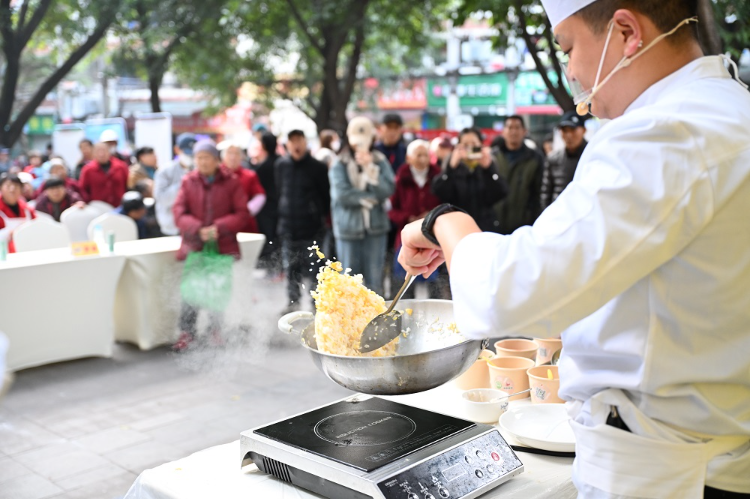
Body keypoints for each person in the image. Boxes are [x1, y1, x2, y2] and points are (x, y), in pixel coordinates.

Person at [397, 1, 750, 497]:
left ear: (626, 31)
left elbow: (512, 288)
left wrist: (444, 222)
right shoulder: (731, 106)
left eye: (568, 48)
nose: (572, 72)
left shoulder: (665, 132)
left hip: (667, 469)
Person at [172, 140, 251, 351]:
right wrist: (198, 228)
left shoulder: (231, 182)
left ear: (217, 160)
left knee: (218, 289)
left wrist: (219, 227)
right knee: (190, 291)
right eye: (198, 158)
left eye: (206, 157)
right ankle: (187, 332)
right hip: (195, 246)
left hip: (222, 246)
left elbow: (242, 214)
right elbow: (179, 213)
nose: (202, 162)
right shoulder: (188, 181)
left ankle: (216, 329)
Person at [330, 117, 395, 296]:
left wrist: (369, 168)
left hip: (376, 228)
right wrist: (371, 198)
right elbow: (342, 195)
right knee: (350, 283)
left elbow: (388, 189)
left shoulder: (380, 160)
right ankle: (351, 323)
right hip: (348, 229)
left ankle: (376, 321)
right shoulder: (339, 163)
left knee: (375, 281)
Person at [276, 130, 330, 313]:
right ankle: (293, 302)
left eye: (299, 140)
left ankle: (317, 304)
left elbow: (325, 197)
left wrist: (318, 216)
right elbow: (278, 193)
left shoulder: (318, 167)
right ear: (287, 144)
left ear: (305, 142)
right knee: (291, 268)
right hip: (288, 227)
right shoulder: (281, 165)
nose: (296, 145)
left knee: (316, 269)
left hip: (312, 228)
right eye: (292, 141)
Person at [389, 139, 443, 298]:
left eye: (425, 155)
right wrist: (410, 218)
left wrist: (430, 217)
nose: (422, 159)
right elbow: (392, 210)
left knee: (434, 283)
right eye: (418, 155)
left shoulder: (438, 176)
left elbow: (444, 205)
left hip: (432, 238)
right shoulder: (401, 177)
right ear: (409, 158)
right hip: (406, 238)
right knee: (404, 283)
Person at [432, 127, 508, 232]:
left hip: (485, 227)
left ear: (481, 145)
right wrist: (450, 169)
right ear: (458, 146)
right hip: (458, 227)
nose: (470, 148)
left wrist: (489, 169)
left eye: (474, 144)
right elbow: (439, 192)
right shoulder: (451, 164)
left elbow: (500, 193)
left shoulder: (490, 163)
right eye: (465, 144)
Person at [492, 115, 545, 235]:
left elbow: (539, 192)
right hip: (495, 225)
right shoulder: (493, 157)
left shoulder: (535, 158)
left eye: (517, 127)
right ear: (503, 131)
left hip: (524, 227)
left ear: (524, 131)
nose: (513, 131)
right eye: (510, 127)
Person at [541, 111, 589, 210]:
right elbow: (546, 193)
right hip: (559, 214)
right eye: (565, 130)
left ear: (584, 130)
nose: (569, 135)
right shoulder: (553, 159)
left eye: (573, 130)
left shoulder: (592, 156)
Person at [154, 133, 197, 236]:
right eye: (187, 153)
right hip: (171, 228)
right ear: (177, 149)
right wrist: (185, 181)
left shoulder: (199, 170)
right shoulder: (165, 171)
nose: (190, 157)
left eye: (193, 154)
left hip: (194, 228)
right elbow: (162, 199)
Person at [221, 142, 265, 233]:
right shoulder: (215, 175)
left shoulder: (249, 175)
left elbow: (260, 196)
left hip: (245, 224)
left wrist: (246, 211)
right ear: (223, 156)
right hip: (221, 223)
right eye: (229, 153)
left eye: (236, 153)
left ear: (241, 156)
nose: (233, 157)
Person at [253, 132, 281, 272]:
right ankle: (277, 268)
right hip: (280, 206)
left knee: (270, 237)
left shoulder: (263, 166)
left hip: (267, 208)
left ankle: (273, 268)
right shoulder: (281, 161)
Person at [78, 142, 129, 206]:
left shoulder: (121, 166)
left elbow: (128, 185)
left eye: (104, 151)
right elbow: (82, 190)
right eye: (98, 151)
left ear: (109, 152)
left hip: (119, 206)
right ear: (93, 153)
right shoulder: (87, 170)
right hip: (98, 208)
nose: (101, 154)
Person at [0, 174, 36, 253]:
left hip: (27, 250)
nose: (12, 189)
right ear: (1, 188)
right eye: (8, 186)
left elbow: (36, 228)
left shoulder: (27, 209)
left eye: (16, 186)